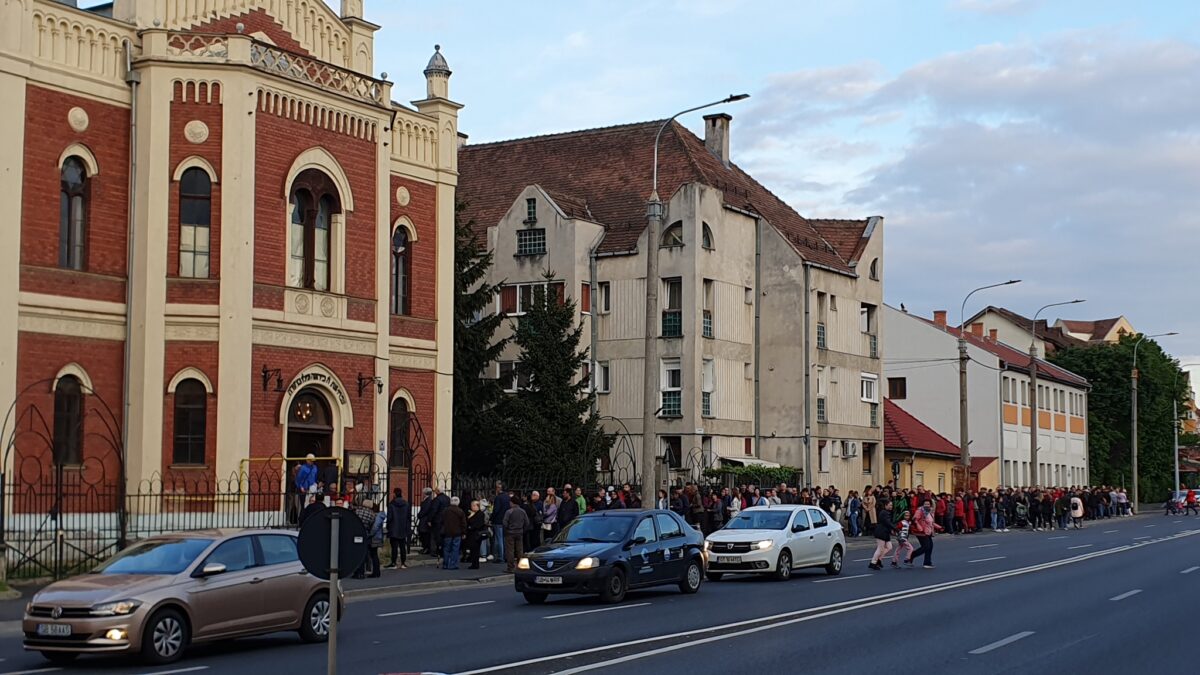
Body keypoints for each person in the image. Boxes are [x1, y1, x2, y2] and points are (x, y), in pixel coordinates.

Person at [907, 499, 942, 568]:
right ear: (922, 504)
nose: (927, 505)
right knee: (926, 547)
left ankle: (927, 563)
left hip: (928, 531)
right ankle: (911, 556)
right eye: (925, 504)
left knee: (930, 547)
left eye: (928, 504)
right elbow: (914, 519)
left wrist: (939, 527)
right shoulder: (920, 511)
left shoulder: (930, 511)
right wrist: (919, 527)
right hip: (921, 532)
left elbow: (931, 522)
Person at [503, 496, 530, 573]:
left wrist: (508, 528)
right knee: (520, 550)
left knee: (510, 550)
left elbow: (504, 522)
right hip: (519, 532)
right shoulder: (522, 511)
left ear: (512, 502)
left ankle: (510, 567)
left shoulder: (509, 512)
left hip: (510, 533)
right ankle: (521, 566)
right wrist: (522, 529)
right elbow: (527, 522)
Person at [352, 499, 378, 578]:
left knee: (356, 553)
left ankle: (357, 572)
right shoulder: (372, 514)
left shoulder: (358, 511)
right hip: (365, 534)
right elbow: (372, 525)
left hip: (356, 532)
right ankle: (362, 572)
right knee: (363, 554)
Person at [386, 488, 411, 569]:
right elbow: (408, 517)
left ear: (394, 494)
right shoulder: (406, 504)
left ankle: (394, 563)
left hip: (394, 528)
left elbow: (389, 517)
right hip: (403, 527)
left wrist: (388, 526)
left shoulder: (391, 504)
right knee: (403, 546)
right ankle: (403, 563)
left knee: (394, 547)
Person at [441, 496, 467, 570]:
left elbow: (442, 521)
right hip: (457, 533)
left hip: (447, 532)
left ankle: (445, 564)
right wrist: (464, 532)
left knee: (446, 549)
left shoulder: (445, 511)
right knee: (455, 549)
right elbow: (463, 523)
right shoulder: (460, 511)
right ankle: (453, 564)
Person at [868, 501, 894, 570]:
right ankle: (873, 563)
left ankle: (879, 559)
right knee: (880, 548)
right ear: (885, 505)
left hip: (885, 532)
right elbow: (887, 522)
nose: (891, 506)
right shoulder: (884, 513)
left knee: (889, 547)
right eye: (890, 505)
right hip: (881, 532)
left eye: (892, 505)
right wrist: (895, 528)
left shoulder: (887, 512)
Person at [490, 482, 511, 564]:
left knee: (499, 539)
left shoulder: (498, 498)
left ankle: (500, 556)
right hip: (506, 519)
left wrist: (491, 518)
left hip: (498, 520)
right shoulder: (507, 497)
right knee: (504, 538)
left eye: (497, 487)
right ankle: (505, 555)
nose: (496, 489)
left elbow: (496, 510)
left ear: (500, 488)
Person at [465, 499, 488, 569]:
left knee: (475, 549)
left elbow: (477, 524)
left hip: (476, 534)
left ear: (476, 506)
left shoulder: (480, 514)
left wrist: (470, 527)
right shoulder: (473, 513)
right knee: (473, 549)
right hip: (472, 534)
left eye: (473, 506)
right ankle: (474, 563)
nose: (471, 507)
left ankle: (475, 564)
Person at [367, 501, 386, 578]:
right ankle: (376, 572)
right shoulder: (379, 516)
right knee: (374, 555)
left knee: (374, 555)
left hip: (375, 537)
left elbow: (375, 527)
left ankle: (376, 572)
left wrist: (370, 534)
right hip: (377, 537)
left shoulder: (377, 516)